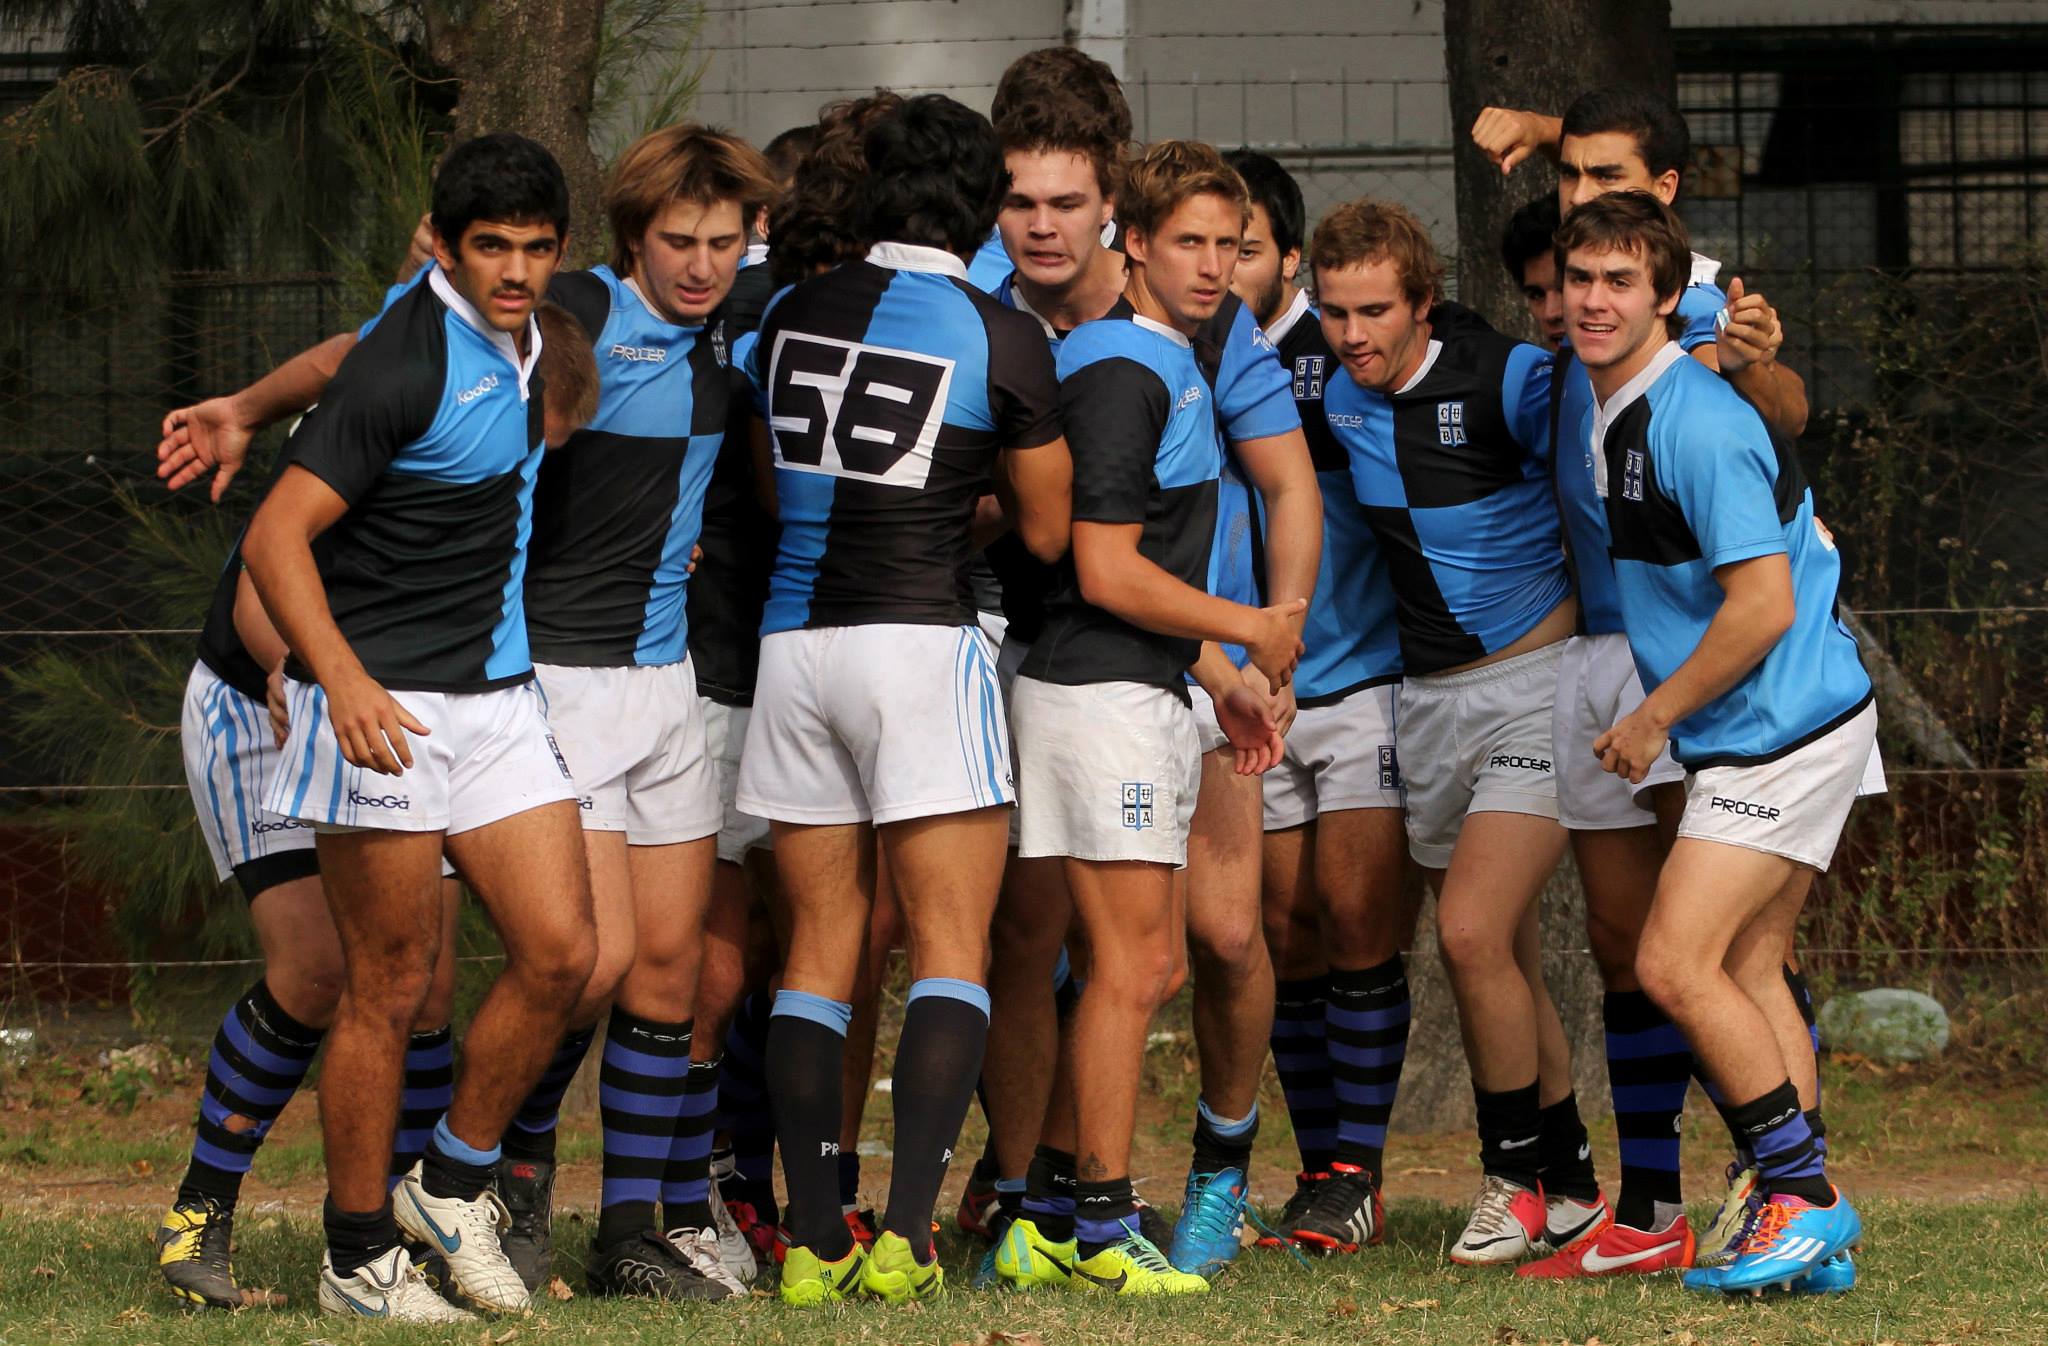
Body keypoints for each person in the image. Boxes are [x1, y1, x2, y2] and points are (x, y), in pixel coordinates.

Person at [974, 50, 1321, 1289]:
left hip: (1154, 664)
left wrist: (1243, 651)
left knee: (1192, 942)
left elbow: (1276, 483)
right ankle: (1061, 1208)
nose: (1214, 267)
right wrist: (1235, 631)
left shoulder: (1180, 338)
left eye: (1231, 247)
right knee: (1096, 951)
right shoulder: (1096, 352)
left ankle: (1156, 1185)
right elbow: (1088, 555)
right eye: (1021, 202)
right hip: (1082, 668)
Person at [238, 133, 597, 1321]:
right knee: (388, 985)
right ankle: (353, 1259)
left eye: (536, 248)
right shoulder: (402, 361)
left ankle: (449, 1180)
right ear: (440, 247)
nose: (515, 270)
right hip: (382, 706)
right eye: (489, 247)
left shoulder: (536, 330)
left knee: (562, 951)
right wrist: (338, 680)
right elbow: (274, 537)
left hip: (496, 700)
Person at [737, 92, 1072, 1306]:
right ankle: (913, 1232)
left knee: (819, 950)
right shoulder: (998, 330)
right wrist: (956, 501)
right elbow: (1041, 526)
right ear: (985, 205)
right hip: (918, 642)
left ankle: (815, 1241)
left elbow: (779, 498)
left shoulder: (781, 313)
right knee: (948, 945)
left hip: (792, 648)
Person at [1557, 189, 1873, 1296]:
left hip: (1780, 724)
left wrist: (1650, 718)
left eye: (1618, 283)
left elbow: (1758, 606)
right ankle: (1801, 1219)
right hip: (1772, 721)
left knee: (1668, 962)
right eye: (1578, 280)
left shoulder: (1691, 416)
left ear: (1661, 299)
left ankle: (1804, 1198)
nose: (1593, 301)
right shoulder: (1617, 400)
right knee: (1743, 964)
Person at [1314, 198, 1592, 1267]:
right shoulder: (1338, 393)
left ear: (1422, 303)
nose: (1352, 335)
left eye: (1374, 310)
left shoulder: (1510, 378)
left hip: (1534, 686)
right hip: (1422, 703)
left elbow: (1616, 420)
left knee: (1469, 932)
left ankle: (1510, 1177)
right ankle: (1566, 1180)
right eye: (1336, 312)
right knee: (1503, 957)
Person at [1224, 150, 1412, 1256]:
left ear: (1284, 257)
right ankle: (1318, 1170)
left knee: (1353, 922)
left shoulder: (1340, 352)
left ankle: (1361, 1167)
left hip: (1356, 680)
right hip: (1247, 692)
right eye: (1201, 243)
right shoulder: (1192, 357)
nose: (1220, 265)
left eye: (1241, 245)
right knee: (1283, 935)